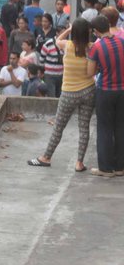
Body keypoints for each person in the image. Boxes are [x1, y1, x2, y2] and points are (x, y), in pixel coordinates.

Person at [29, 20, 94, 171]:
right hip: (88, 90)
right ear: (87, 32)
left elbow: (57, 40)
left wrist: (68, 29)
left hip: (69, 93)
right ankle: (79, 163)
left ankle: (46, 157)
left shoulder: (67, 45)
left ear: (74, 32)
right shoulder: (91, 48)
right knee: (84, 127)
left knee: (59, 127)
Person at [87, 15, 124, 177]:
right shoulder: (121, 42)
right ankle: (120, 167)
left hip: (106, 90)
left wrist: (99, 68)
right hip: (122, 90)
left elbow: (90, 72)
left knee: (104, 128)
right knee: (120, 127)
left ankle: (106, 168)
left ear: (95, 31)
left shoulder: (97, 47)